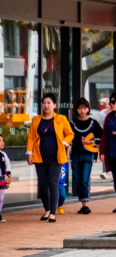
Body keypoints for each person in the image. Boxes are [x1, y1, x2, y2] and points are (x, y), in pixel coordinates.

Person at [26, 93, 74, 223]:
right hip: (39, 156)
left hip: (56, 157)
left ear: (54, 105)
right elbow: (31, 137)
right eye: (44, 103)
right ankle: (47, 209)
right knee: (42, 185)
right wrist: (29, 153)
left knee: (53, 183)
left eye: (48, 103)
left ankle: (53, 212)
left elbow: (70, 134)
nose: (46, 105)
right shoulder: (36, 120)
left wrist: (64, 143)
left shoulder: (61, 119)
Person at [69, 97, 102, 214]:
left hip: (88, 155)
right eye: (80, 108)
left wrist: (91, 142)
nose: (82, 111)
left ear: (88, 109)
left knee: (85, 179)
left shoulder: (93, 123)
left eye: (84, 108)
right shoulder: (72, 123)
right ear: (76, 110)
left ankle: (85, 204)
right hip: (75, 155)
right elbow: (69, 139)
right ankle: (82, 203)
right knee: (77, 180)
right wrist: (67, 153)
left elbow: (101, 137)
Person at [0, 134, 10, 223]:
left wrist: (9, 177)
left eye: (2, 141)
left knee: (1, 198)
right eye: (0, 141)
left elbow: (8, 166)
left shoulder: (3, 154)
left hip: (1, 178)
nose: (2, 143)